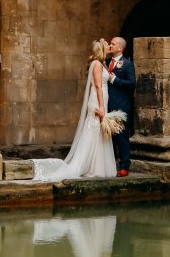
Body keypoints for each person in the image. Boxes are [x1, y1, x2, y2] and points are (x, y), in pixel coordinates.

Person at [33, 38, 117, 181]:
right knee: (95, 128)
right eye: (107, 45)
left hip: (103, 97)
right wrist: (102, 106)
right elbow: (97, 86)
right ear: (102, 50)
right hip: (98, 99)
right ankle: (87, 165)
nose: (109, 46)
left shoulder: (101, 64)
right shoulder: (96, 64)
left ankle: (96, 166)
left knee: (99, 131)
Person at [106, 36, 136, 176]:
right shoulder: (106, 62)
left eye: (113, 44)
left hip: (121, 106)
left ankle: (124, 166)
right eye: (110, 44)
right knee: (108, 138)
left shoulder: (127, 64)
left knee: (122, 137)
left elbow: (131, 84)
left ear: (120, 48)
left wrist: (115, 79)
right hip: (107, 105)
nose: (110, 45)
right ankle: (110, 165)